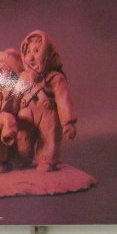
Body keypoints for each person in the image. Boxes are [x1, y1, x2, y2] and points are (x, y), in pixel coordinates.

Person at [14, 30, 78, 172]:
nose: (31, 57)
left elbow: (63, 100)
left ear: (47, 54)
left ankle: (47, 160)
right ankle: (22, 157)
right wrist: (9, 114)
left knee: (49, 137)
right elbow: (15, 97)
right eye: (28, 52)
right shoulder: (23, 77)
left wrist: (68, 122)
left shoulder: (55, 78)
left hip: (47, 114)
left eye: (37, 51)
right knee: (23, 137)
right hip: (26, 114)